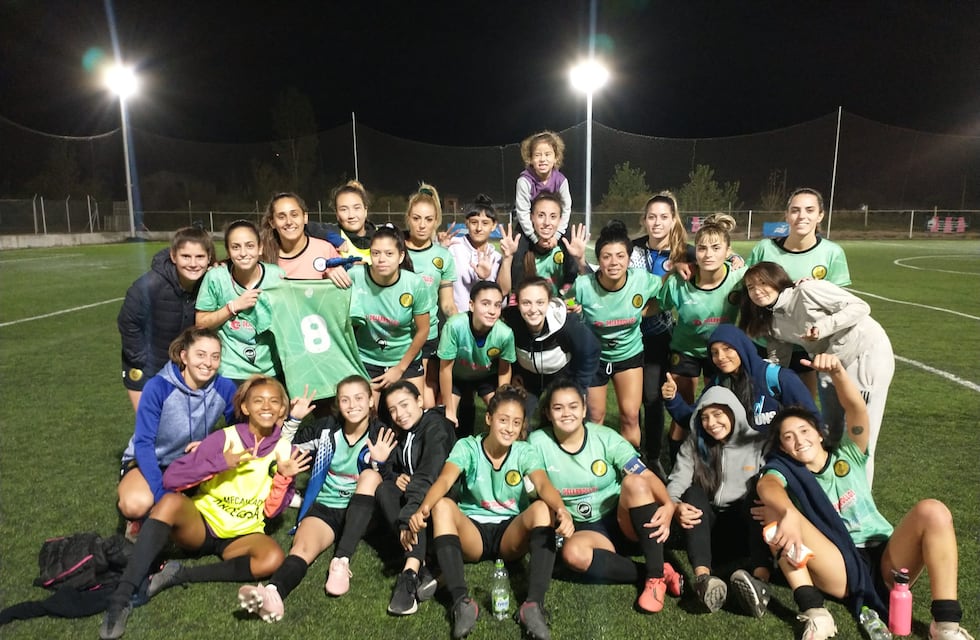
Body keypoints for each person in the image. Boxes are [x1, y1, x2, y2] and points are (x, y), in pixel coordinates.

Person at [756, 354, 973, 640]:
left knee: (933, 510)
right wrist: (789, 513)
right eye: (788, 437)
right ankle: (815, 613)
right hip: (838, 565)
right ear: (783, 448)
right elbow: (767, 486)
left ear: (820, 434)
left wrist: (837, 372)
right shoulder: (787, 471)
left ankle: (945, 625)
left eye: (804, 431)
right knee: (771, 514)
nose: (799, 440)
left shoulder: (849, 453)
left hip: (887, 557)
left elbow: (856, 409)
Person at [99, 375, 314, 640]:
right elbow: (172, 478)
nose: (266, 406)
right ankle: (121, 597)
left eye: (274, 401)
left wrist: (284, 477)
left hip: (242, 534)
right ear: (245, 407)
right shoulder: (224, 438)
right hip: (202, 525)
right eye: (258, 400)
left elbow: (271, 512)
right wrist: (219, 462)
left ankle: (177, 574)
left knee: (273, 558)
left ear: (283, 409)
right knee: (169, 502)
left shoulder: (285, 450)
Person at [404, 385, 574, 640]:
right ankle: (462, 602)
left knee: (542, 508)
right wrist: (422, 509)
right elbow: (444, 481)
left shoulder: (524, 451)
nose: (509, 428)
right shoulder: (468, 447)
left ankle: (533, 606)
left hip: (510, 534)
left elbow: (542, 484)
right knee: (442, 506)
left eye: (516, 423)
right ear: (489, 419)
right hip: (474, 533)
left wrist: (562, 510)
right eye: (503, 420)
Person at [236, 375, 392, 622]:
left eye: (359, 398)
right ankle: (272, 592)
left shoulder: (382, 433)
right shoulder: (326, 428)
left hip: (362, 512)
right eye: (345, 399)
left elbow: (389, 486)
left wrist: (381, 463)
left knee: (371, 476)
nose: (352, 405)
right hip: (326, 507)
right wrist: (295, 418)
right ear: (337, 404)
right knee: (301, 549)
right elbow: (280, 448)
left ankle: (341, 560)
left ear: (372, 401)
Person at [527, 379, 682, 614]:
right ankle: (657, 571)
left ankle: (654, 577)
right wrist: (560, 511)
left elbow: (646, 475)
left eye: (573, 406)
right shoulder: (538, 442)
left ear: (583, 409)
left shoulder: (605, 437)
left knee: (635, 483)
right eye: (558, 408)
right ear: (548, 413)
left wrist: (669, 505)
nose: (566, 413)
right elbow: (541, 483)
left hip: (622, 520)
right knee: (573, 555)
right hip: (586, 530)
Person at [740, 261, 894, 485]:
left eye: (763, 283)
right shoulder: (771, 320)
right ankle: (833, 489)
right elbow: (777, 360)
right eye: (750, 287)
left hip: (865, 354)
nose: (757, 291)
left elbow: (860, 306)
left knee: (860, 436)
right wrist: (759, 381)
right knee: (828, 431)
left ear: (777, 280)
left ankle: (861, 498)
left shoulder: (807, 290)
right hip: (828, 364)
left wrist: (824, 327)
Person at [117, 327, 237, 540]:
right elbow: (144, 443)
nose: (208, 363)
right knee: (134, 505)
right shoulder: (158, 387)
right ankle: (139, 518)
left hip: (192, 463)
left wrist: (211, 445)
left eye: (215, 357)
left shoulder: (224, 387)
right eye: (200, 355)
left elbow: (238, 430)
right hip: (151, 462)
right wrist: (161, 493)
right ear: (184, 356)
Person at [665, 385, 772, 616]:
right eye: (704, 417)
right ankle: (704, 579)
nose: (711, 423)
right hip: (709, 531)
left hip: (745, 527)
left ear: (733, 412)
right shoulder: (695, 444)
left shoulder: (757, 443)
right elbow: (676, 482)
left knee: (759, 495)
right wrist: (675, 506)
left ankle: (760, 582)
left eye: (717, 415)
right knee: (693, 493)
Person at [746, 187, 851, 399]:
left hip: (807, 344)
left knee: (802, 406)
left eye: (809, 210)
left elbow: (843, 304)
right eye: (795, 210)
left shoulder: (832, 253)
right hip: (766, 343)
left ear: (820, 215)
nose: (801, 216)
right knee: (762, 407)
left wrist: (816, 289)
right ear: (786, 215)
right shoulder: (765, 248)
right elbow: (745, 285)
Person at [655, 214, 744, 460]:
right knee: (682, 410)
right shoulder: (679, 282)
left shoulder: (739, 278)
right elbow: (653, 306)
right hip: (685, 351)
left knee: (720, 408)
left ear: (728, 252)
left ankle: (715, 461)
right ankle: (676, 463)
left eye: (716, 248)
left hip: (721, 353)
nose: (708, 254)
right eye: (702, 248)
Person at [571, 220, 663, 448]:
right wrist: (574, 312)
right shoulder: (583, 285)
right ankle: (595, 468)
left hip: (629, 355)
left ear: (629, 259)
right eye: (606, 256)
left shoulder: (641, 280)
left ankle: (630, 468)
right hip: (594, 358)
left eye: (620, 256)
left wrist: (643, 311)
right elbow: (566, 305)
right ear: (598, 259)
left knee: (630, 416)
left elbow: (666, 291)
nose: (614, 262)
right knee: (595, 418)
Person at [378, 382, 457, 615]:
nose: (399, 414)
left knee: (413, 503)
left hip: (440, 503)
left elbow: (428, 475)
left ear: (420, 401)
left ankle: (410, 571)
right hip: (416, 502)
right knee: (384, 489)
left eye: (404, 405)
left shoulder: (436, 426)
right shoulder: (404, 433)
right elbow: (391, 468)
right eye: (392, 409)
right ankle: (425, 564)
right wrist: (395, 476)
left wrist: (406, 519)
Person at [118, 226, 216, 411]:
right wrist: (142, 360)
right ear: (173, 256)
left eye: (200, 257)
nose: (193, 263)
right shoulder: (148, 285)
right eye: (186, 256)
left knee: (181, 429)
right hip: (147, 367)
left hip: (182, 368)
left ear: (209, 258)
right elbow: (127, 322)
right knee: (150, 429)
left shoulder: (210, 282)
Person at [629, 191, 692, 468]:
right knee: (631, 401)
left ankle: (653, 456)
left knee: (653, 397)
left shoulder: (683, 252)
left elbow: (720, 256)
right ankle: (633, 453)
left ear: (673, 219)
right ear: (644, 220)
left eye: (664, 217)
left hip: (658, 335)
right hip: (627, 334)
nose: (657, 223)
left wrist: (735, 259)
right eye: (652, 217)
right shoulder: (632, 248)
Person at [662, 324, 819, 432]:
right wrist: (672, 399)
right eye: (714, 352)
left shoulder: (779, 378)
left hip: (779, 459)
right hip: (741, 462)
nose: (721, 357)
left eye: (727, 349)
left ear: (742, 348)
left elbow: (812, 419)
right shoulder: (719, 384)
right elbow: (693, 421)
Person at [195, 220, 285, 385]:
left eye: (249, 246)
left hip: (270, 370)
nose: (243, 253)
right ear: (228, 251)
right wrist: (233, 307)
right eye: (236, 247)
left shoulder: (277, 277)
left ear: (260, 248)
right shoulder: (216, 277)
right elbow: (201, 323)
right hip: (230, 370)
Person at [349, 224, 432, 402]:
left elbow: (423, 330)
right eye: (376, 253)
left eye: (389, 253)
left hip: (404, 359)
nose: (381, 259)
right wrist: (331, 272)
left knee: (414, 413)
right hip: (367, 359)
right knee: (366, 414)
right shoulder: (355, 276)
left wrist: (400, 368)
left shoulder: (414, 284)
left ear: (401, 256)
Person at [502, 277, 600, 424]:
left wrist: (578, 385)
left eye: (540, 302)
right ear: (518, 304)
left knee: (570, 422)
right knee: (518, 421)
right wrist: (515, 372)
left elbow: (591, 350)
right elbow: (506, 348)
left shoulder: (566, 323)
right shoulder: (510, 321)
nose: (533, 309)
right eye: (526, 303)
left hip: (563, 376)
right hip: (528, 378)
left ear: (549, 302)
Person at [403, 183, 459, 407]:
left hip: (428, 334)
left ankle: (427, 437)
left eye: (428, 219)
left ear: (436, 221)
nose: (422, 225)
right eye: (416, 218)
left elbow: (447, 304)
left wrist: (460, 325)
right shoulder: (396, 249)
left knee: (425, 398)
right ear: (408, 218)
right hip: (398, 334)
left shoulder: (443, 256)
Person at [437, 281, 515, 435]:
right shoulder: (454, 326)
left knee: (502, 417)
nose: (492, 311)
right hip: (456, 376)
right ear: (471, 305)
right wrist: (449, 410)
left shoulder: (505, 334)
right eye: (485, 304)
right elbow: (445, 370)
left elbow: (504, 371)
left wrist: (500, 404)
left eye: (497, 305)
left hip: (485, 377)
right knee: (444, 420)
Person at [498, 192, 589, 300]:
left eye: (553, 217)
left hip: (559, 308)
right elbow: (502, 292)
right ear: (531, 218)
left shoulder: (566, 248)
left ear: (560, 220)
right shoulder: (521, 248)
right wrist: (507, 259)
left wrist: (580, 260)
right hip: (531, 311)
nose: (547, 222)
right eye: (541, 215)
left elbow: (589, 289)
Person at [258, 191, 350, 285]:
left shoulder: (325, 250)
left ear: (305, 217)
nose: (289, 222)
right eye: (281, 217)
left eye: (294, 215)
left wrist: (332, 278)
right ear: (272, 223)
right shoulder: (262, 255)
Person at [447, 194, 502, 312]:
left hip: (485, 323)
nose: (479, 228)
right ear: (467, 223)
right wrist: (440, 250)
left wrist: (508, 257)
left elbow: (503, 293)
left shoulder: (497, 258)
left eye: (485, 223)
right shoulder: (453, 247)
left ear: (494, 226)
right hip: (455, 320)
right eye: (474, 222)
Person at [308, 179, 377, 264]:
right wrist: (333, 237)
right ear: (337, 214)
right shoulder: (335, 232)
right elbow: (302, 226)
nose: (351, 215)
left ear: (365, 210)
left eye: (356, 208)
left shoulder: (382, 235)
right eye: (344, 209)